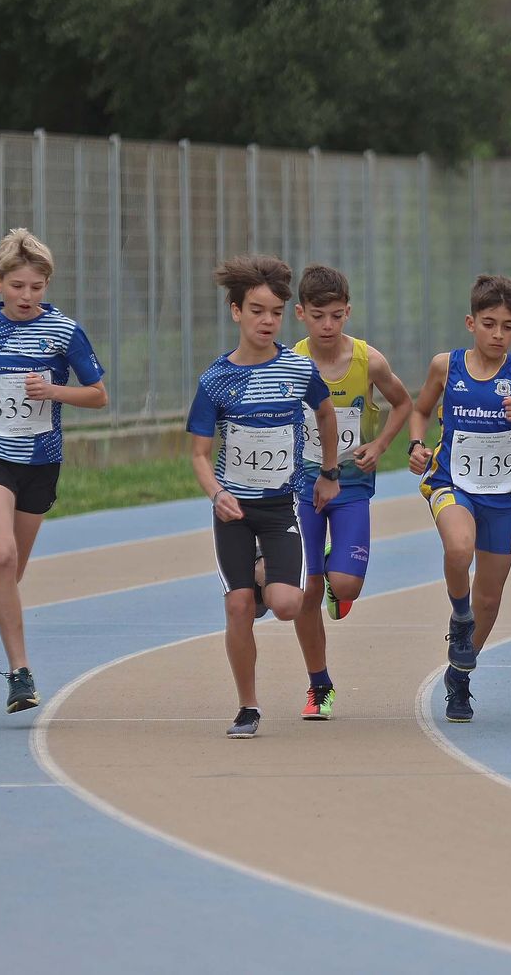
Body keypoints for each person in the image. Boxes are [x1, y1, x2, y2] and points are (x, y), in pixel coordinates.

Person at [0, 229, 108, 714]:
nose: (27, 296)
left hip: (40, 460)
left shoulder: (65, 332)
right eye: (17, 286)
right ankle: (20, 674)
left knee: (12, 570)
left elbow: (99, 396)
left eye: (36, 287)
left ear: (47, 285)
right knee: (3, 551)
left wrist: (55, 392)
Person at [188, 254, 341, 739]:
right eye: (257, 310)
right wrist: (216, 494)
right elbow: (197, 454)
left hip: (281, 508)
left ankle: (261, 576)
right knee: (237, 607)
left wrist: (329, 472)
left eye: (275, 312)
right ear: (236, 311)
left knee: (288, 605)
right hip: (233, 511)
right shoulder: (215, 380)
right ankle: (247, 708)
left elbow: (326, 413)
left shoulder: (297, 369)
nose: (267, 321)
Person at [410, 275, 511, 723]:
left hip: (501, 494)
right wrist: (416, 445)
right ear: (471, 323)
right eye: (489, 324)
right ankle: (459, 617)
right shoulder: (445, 366)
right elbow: (418, 409)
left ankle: (459, 677)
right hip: (451, 480)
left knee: (490, 598)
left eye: (507, 326)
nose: (497, 334)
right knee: (458, 547)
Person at [290, 263, 413, 720]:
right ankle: (318, 685)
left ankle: (332, 577)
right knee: (306, 588)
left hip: (352, 486)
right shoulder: (292, 361)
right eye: (319, 315)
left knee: (344, 584)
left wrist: (380, 445)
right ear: (301, 313)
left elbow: (402, 402)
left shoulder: (368, 360)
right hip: (302, 486)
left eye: (337, 316)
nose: (328, 325)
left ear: (348, 313)